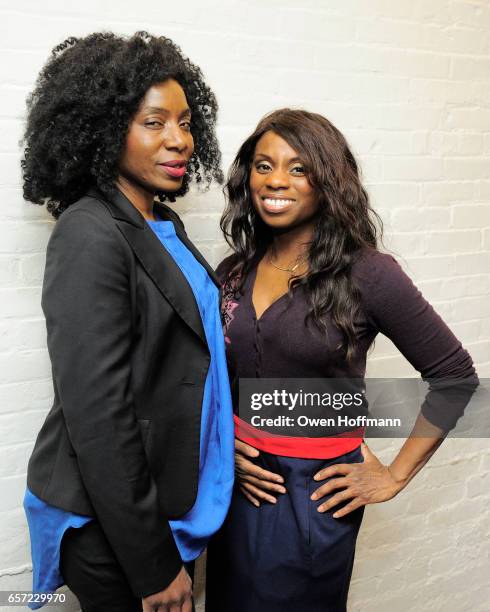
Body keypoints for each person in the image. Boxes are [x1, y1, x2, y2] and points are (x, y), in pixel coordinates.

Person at [205, 109, 478, 612]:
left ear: (327, 180)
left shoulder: (368, 274)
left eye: (298, 167)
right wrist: (224, 451)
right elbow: (213, 377)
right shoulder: (233, 271)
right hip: (238, 490)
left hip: (316, 495)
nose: (277, 181)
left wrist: (395, 476)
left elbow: (455, 378)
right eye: (263, 166)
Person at [21, 32, 234, 612]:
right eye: (153, 122)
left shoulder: (161, 223)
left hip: (171, 502)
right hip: (115, 529)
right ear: (104, 129)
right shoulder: (90, 232)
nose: (178, 140)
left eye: (186, 123)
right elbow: (99, 415)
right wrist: (154, 567)